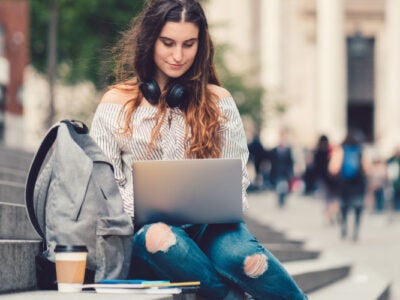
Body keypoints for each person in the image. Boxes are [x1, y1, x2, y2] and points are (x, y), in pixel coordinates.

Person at [90, 1, 307, 299]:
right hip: (146, 230)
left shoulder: (219, 101)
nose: (178, 56)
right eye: (168, 43)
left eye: (188, 44)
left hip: (212, 228)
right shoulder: (116, 103)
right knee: (162, 239)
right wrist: (145, 203)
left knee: (249, 261)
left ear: (200, 45)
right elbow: (102, 188)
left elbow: (237, 177)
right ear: (150, 40)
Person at [329, 130, 368, 241]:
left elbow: (333, 168)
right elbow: (366, 168)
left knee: (344, 208)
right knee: (358, 208)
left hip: (344, 185)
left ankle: (344, 227)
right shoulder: (360, 151)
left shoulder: (340, 150)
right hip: (358, 185)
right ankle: (355, 230)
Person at [312, 135, 339, 224]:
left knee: (327, 198)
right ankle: (330, 214)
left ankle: (328, 214)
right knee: (333, 198)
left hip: (323, 179)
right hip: (332, 178)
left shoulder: (318, 152)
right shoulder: (329, 152)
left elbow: (315, 167)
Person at [268, 130, 294, 208]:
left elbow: (290, 162)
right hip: (277, 172)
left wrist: (291, 172)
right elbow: (272, 161)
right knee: (278, 187)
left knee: (284, 187)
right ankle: (280, 201)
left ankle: (283, 201)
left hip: (285, 172)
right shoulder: (275, 149)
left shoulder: (288, 150)